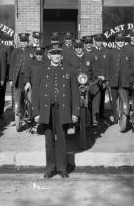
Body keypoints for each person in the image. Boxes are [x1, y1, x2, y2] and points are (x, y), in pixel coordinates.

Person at [32, 42, 80, 178]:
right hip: (47, 110)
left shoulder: (69, 70)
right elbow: (35, 93)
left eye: (58, 53)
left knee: (62, 139)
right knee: (49, 139)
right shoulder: (41, 70)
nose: (56, 56)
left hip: (63, 109)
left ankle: (62, 168)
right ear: (48, 56)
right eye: (53, 54)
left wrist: (75, 112)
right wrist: (36, 112)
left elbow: (75, 93)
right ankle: (50, 168)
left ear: (62, 56)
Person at [108, 33, 134, 124]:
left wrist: (131, 78)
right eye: (118, 41)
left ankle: (125, 115)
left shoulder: (128, 51)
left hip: (125, 80)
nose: (120, 42)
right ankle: (116, 117)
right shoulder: (111, 52)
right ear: (115, 42)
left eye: (122, 41)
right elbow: (107, 66)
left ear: (124, 42)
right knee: (114, 99)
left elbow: (132, 66)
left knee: (125, 98)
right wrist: (107, 79)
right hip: (114, 80)